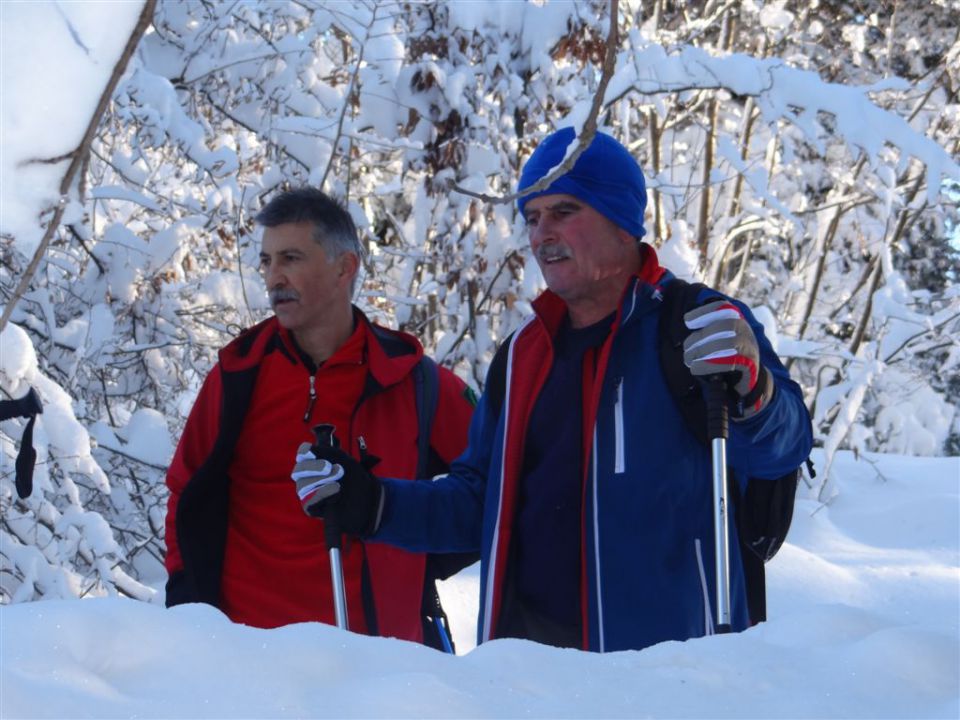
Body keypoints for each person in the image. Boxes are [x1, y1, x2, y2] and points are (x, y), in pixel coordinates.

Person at [291, 129, 813, 653]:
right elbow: (479, 504)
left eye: (564, 211)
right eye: (532, 217)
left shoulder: (696, 326)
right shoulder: (523, 356)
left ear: (622, 219)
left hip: (668, 678)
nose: (542, 234)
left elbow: (783, 446)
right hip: (529, 677)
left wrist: (755, 390)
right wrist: (371, 502)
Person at [164, 187, 476, 648]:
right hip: (249, 657)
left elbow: (500, 488)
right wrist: (187, 599)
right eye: (267, 261)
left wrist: (416, 560)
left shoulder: (413, 380)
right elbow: (184, 488)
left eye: (291, 258)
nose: (274, 277)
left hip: (379, 664)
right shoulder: (239, 373)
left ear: (344, 268)